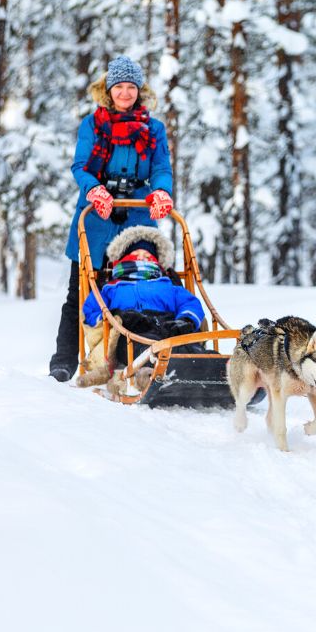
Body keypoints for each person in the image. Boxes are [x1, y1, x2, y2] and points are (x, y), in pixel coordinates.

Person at [48, 55, 175, 382]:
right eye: (119, 86)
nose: (125, 93)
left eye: (131, 87)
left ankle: (148, 353)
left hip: (137, 214)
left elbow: (161, 168)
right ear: (108, 90)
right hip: (96, 217)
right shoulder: (93, 124)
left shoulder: (154, 128)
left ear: (139, 90)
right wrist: (95, 190)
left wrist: (161, 191)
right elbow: (81, 167)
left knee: (143, 284)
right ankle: (64, 362)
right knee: (81, 291)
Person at [77, 226, 205, 388]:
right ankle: (151, 373)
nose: (142, 258)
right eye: (136, 255)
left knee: (187, 346)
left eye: (148, 256)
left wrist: (185, 319)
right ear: (124, 259)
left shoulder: (168, 285)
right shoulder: (111, 288)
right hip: (130, 331)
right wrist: (114, 316)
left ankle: (217, 367)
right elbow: (91, 310)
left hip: (168, 326)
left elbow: (190, 303)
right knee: (145, 348)